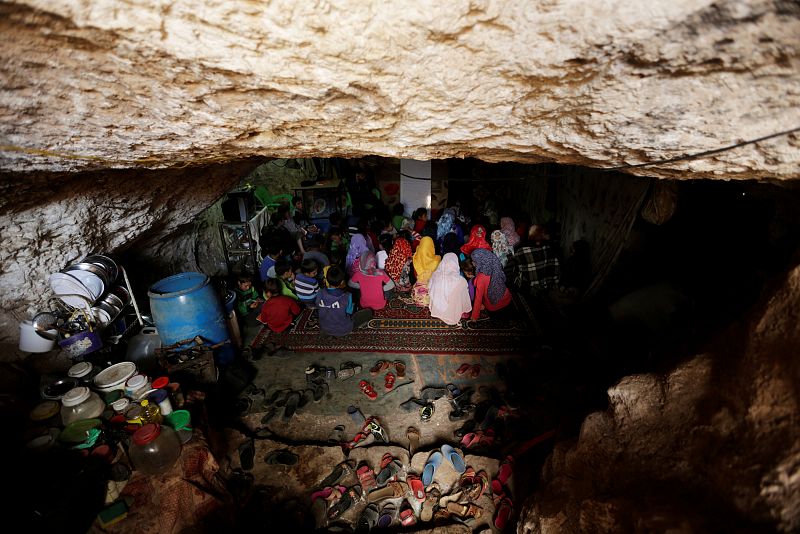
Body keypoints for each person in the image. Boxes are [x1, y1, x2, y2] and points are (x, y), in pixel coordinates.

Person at [316, 265, 374, 337]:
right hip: (344, 329)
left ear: (326, 280)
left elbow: (318, 306)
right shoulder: (347, 296)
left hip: (325, 328)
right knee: (368, 312)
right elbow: (349, 312)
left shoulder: (319, 293)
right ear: (342, 282)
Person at [510, 224, 561, 295]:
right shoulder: (553, 249)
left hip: (529, 290)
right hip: (549, 287)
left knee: (515, 271)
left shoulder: (522, 252)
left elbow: (513, 263)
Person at [429, 253, 472, 325]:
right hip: (453, 311)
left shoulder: (435, 275)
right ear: (456, 264)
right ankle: (450, 312)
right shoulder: (461, 281)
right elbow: (465, 300)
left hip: (437, 309)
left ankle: (440, 312)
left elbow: (430, 289)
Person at [469, 249, 512, 320]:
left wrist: (474, 315)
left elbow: (478, 298)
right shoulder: (496, 266)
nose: (472, 262)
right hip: (507, 299)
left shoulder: (481, 278)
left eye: (474, 261)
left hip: (494, 307)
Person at [411, 236, 441, 307]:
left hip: (418, 290)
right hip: (432, 291)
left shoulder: (415, 259)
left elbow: (413, 277)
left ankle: (420, 296)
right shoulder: (437, 260)